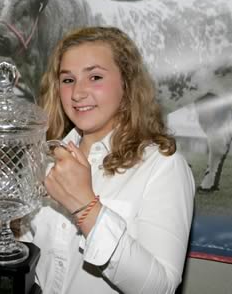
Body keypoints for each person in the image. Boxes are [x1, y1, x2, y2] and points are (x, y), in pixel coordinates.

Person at [24, 26, 195, 293]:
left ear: (126, 84)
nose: (78, 93)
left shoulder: (163, 166)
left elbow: (160, 287)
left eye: (94, 77)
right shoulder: (46, 158)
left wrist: (84, 207)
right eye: (68, 80)